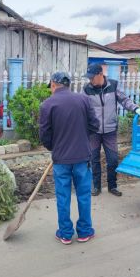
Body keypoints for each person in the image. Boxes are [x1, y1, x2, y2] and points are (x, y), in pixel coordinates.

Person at [39, 72, 100, 245]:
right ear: (68, 84)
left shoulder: (47, 104)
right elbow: (95, 125)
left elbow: (44, 134)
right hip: (82, 156)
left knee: (63, 196)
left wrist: (54, 147)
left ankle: (65, 234)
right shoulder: (83, 100)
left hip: (61, 159)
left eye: (50, 86)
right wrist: (81, 137)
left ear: (53, 84)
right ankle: (84, 232)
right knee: (84, 195)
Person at [83, 64, 140, 197]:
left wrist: (136, 108)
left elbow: (124, 100)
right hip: (93, 131)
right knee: (94, 160)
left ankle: (112, 186)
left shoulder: (113, 85)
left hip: (110, 130)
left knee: (112, 160)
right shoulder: (86, 89)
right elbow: (81, 106)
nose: (90, 80)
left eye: (92, 77)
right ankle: (96, 186)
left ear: (100, 74)